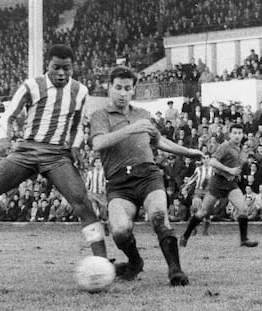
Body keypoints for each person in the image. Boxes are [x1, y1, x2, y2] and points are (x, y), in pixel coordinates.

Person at [0, 44, 107, 259]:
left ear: (72, 67)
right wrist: (4, 137)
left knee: (83, 204)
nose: (61, 73)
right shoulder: (31, 86)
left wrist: (76, 146)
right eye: (56, 67)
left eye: (66, 68)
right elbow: (8, 115)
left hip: (57, 155)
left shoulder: (80, 91)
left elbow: (78, 126)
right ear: (48, 66)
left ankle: (101, 260)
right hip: (26, 150)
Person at [90, 66, 204, 286]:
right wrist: (130, 129)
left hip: (148, 175)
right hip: (119, 182)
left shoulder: (142, 114)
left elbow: (158, 141)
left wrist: (188, 151)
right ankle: (135, 262)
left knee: (159, 216)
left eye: (127, 88)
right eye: (118, 88)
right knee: (121, 231)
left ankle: (175, 271)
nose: (123, 93)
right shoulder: (100, 116)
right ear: (109, 88)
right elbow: (98, 143)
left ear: (133, 90)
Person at [180, 124, 259, 248]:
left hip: (231, 184)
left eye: (240, 133)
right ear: (230, 134)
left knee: (243, 209)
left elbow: (237, 165)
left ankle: (244, 239)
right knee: (204, 212)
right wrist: (229, 170)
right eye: (235, 133)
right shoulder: (224, 146)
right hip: (217, 182)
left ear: (242, 134)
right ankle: (185, 235)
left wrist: (237, 170)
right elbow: (212, 161)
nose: (237, 135)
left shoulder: (240, 149)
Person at [181, 154, 213, 236]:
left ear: (210, 159)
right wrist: (186, 187)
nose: (206, 160)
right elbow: (192, 179)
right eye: (204, 158)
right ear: (202, 160)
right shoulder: (198, 169)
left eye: (207, 158)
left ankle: (205, 231)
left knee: (207, 211)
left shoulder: (213, 170)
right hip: (198, 191)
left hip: (209, 192)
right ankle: (194, 229)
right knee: (195, 209)